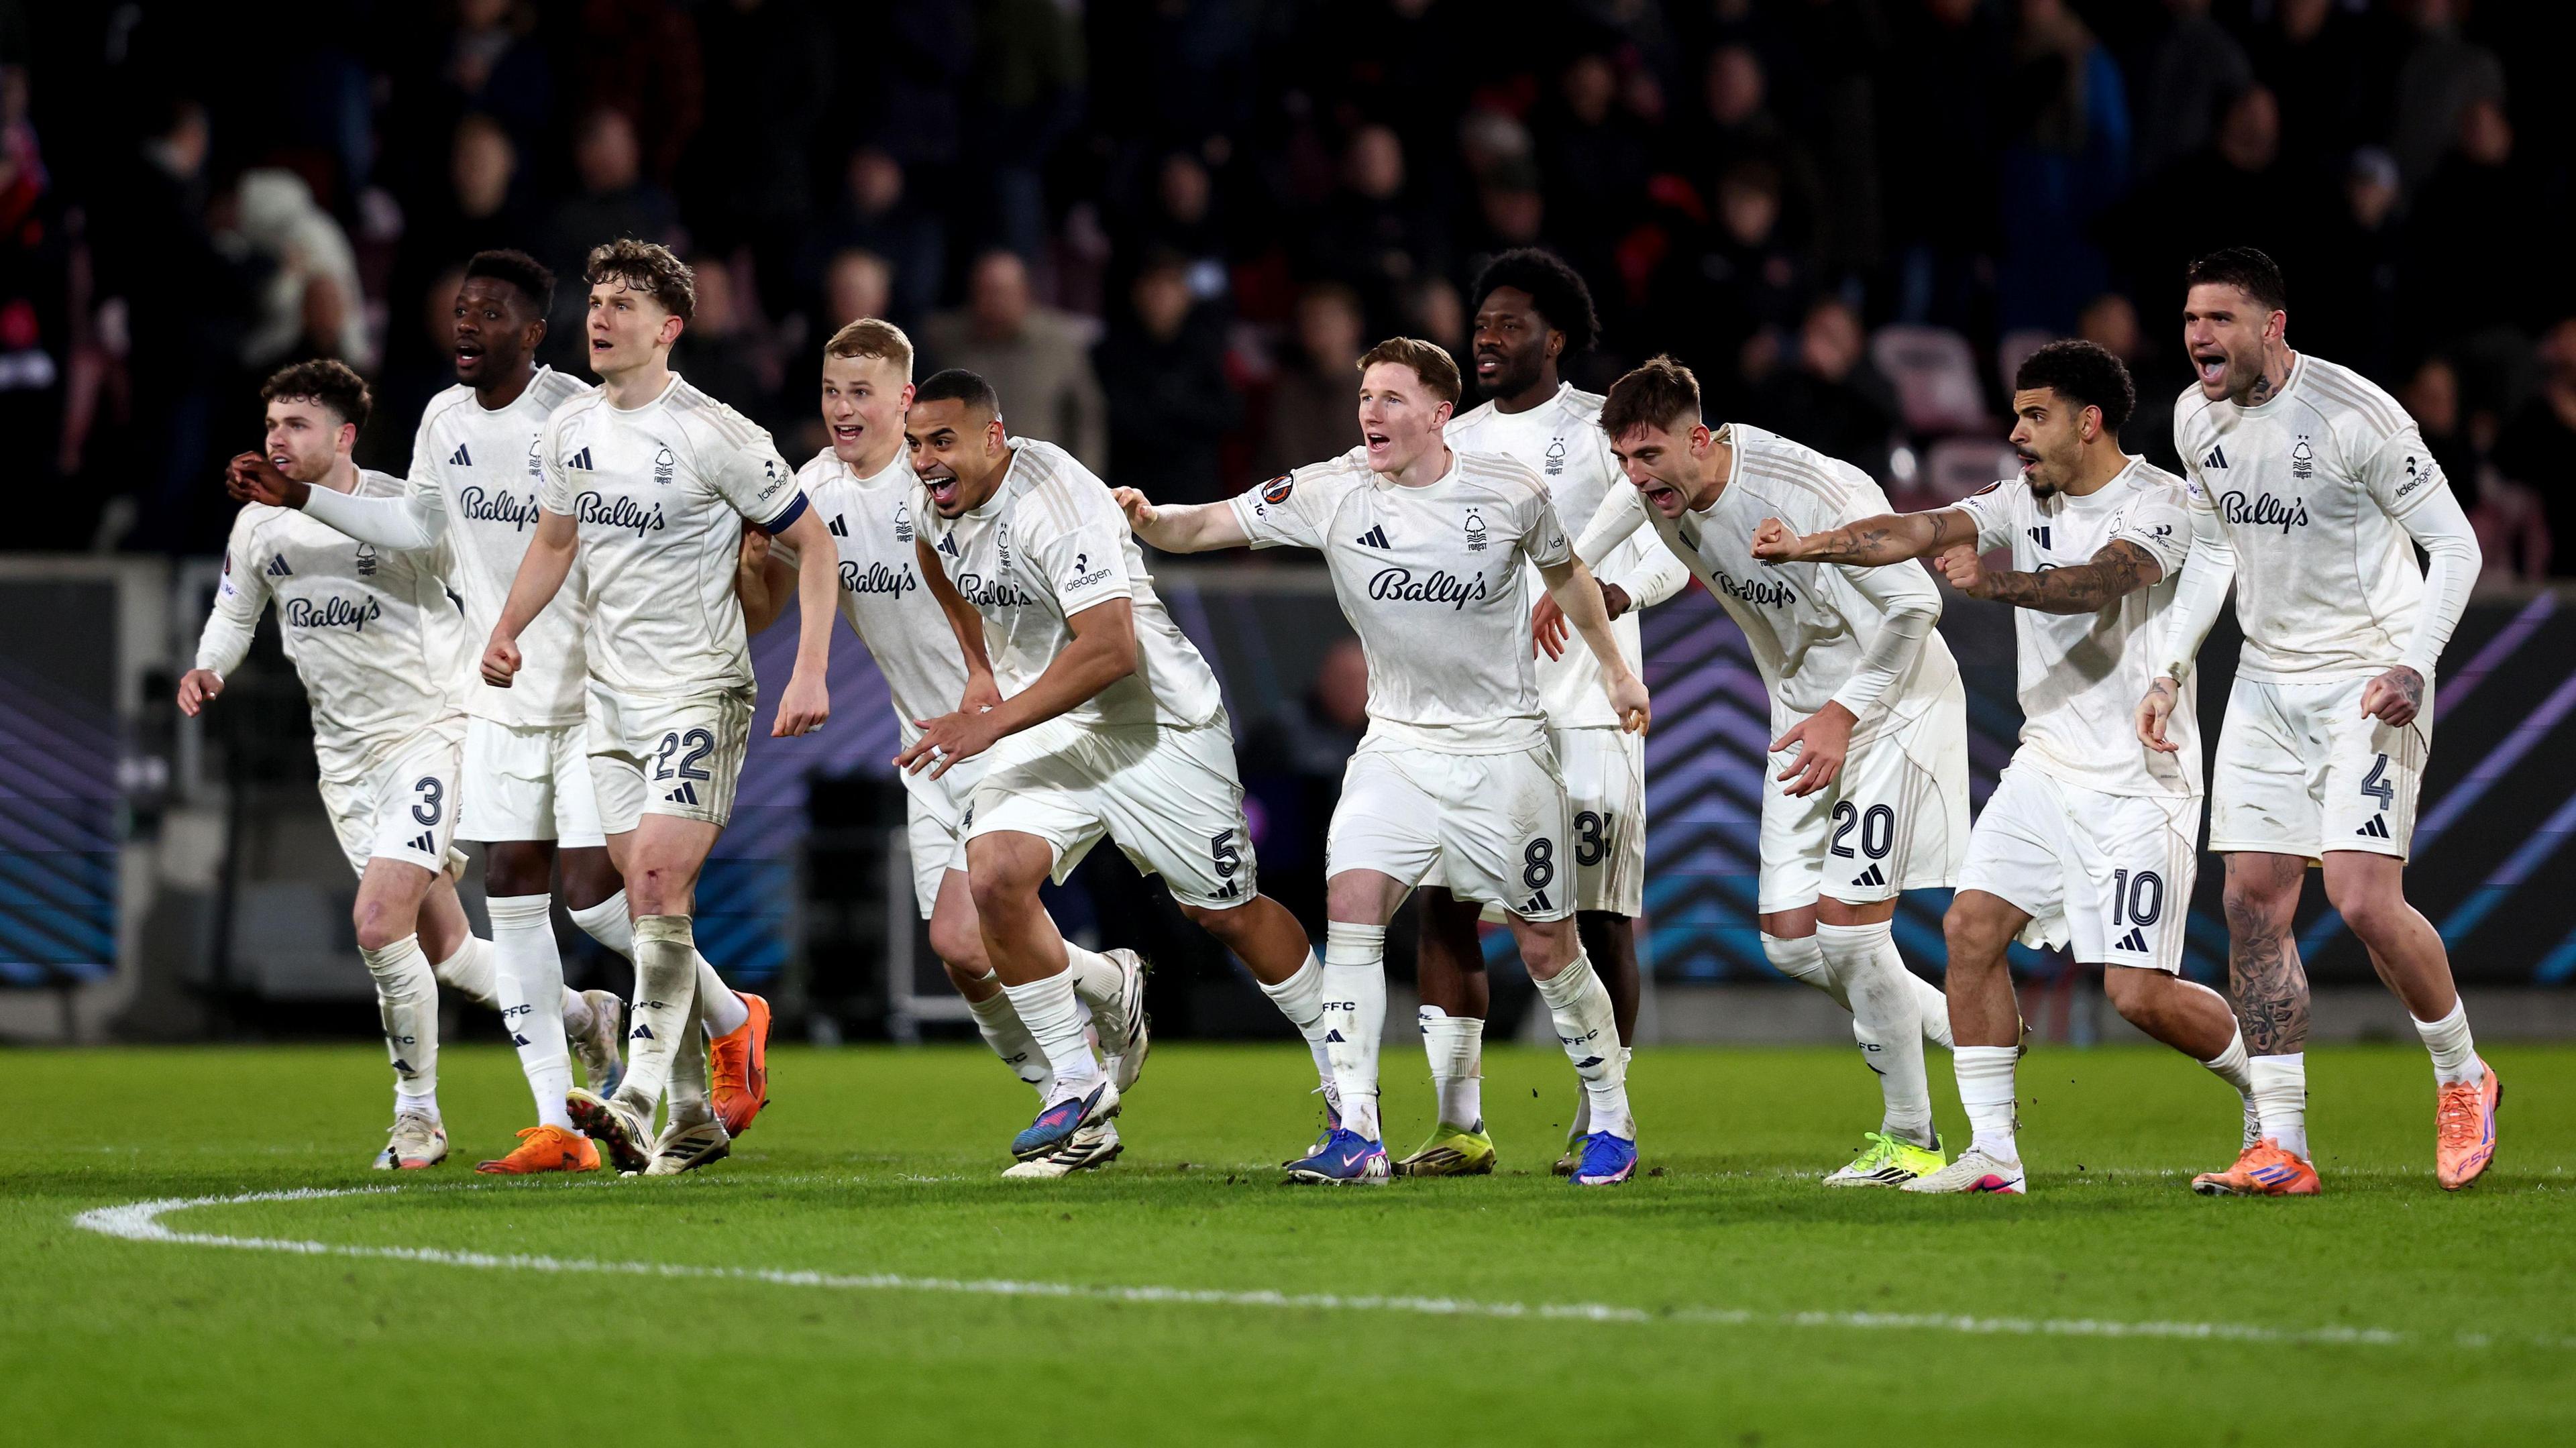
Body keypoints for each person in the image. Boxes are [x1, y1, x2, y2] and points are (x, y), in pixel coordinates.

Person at [223, 250, 775, 1174]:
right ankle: (559, 1121)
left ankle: (728, 1021)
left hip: (596, 686)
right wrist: (305, 497)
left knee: (604, 904)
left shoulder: (575, 413)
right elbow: (420, 527)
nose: (465, 329)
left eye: (486, 315)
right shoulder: (442, 417)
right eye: (458, 312)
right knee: (514, 898)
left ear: (531, 331)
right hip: (500, 694)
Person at [1115, 338, 1653, 1188]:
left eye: (1394, 398)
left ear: (1441, 415)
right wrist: (1150, 520)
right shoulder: (1332, 489)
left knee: (1549, 946)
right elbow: (1213, 521)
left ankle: (1613, 1119)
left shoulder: (1510, 492)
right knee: (1352, 906)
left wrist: (1619, 671)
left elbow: (1571, 577)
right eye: (1366, 396)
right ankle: (1357, 1130)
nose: (1372, 411)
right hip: (1396, 746)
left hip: (1504, 749)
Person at [1755, 340, 2257, 1194]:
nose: (2017, 432)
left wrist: (1992, 588)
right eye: (2016, 414)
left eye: (2036, 415)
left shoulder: (2162, 503)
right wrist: (1813, 546)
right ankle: (1993, 1154)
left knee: (2138, 994)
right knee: (1971, 930)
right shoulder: (2022, 496)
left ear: (2088, 421)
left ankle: (2268, 1090)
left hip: (2141, 779)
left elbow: (2100, 583)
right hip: (2046, 767)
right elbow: (1919, 528)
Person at [894, 370, 1342, 1168]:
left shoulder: (1057, 502)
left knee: (1225, 913)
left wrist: (989, 721)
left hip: (1157, 725)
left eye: (943, 441)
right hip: (1053, 721)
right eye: (917, 443)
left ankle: (1347, 1081)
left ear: (993, 436)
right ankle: (1077, 1085)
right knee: (993, 875)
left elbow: (1110, 650)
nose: (926, 460)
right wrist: (979, 667)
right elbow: (935, 555)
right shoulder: (934, 494)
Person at [185, 360, 616, 1170]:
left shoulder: (404, 511)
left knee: (378, 923)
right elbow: (234, 610)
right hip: (343, 763)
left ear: (344, 436)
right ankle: (584, 1015)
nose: (278, 437)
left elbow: (487, 578)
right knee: (449, 951)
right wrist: (210, 665)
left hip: (431, 737)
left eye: (297, 424)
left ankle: (417, 1114)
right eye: (272, 423)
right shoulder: (258, 527)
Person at [482, 240, 841, 1176]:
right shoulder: (570, 430)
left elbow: (815, 545)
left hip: (701, 690)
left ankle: (637, 1092)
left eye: (624, 305)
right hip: (611, 702)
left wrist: (809, 670)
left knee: (653, 887)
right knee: (619, 905)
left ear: (669, 328)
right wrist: (507, 627)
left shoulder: (714, 432)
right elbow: (555, 541)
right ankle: (692, 1107)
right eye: (596, 300)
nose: (601, 317)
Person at [740, 321, 1130, 1179]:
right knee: (959, 952)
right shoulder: (811, 491)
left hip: (1002, 730)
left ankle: (1077, 1101)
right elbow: (769, 602)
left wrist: (988, 678)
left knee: (969, 925)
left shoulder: (939, 486)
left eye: (862, 393)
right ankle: (1100, 1001)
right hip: (926, 746)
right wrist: (748, 567)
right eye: (832, 392)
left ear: (904, 399)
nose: (844, 409)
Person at [2143, 247, 2491, 1193]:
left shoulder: (2355, 415)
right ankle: (2282, 1142)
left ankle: (2463, 1072)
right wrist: (2171, 666)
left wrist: (2414, 663)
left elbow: (2455, 545)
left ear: (2273, 326)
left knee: (2363, 896)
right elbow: (2214, 542)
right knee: (2252, 900)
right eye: (2189, 319)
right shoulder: (2192, 416)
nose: (2199, 338)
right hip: (2264, 680)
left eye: (2219, 319)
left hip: (2368, 677)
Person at [1568, 355, 1964, 1187]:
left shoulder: (1806, 489)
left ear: (1701, 440)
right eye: (1626, 461)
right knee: (1791, 943)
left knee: (1851, 932)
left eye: (1650, 458)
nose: (1639, 478)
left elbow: (1918, 605)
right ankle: (1965, 1022)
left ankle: (1911, 1135)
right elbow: (1659, 540)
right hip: (1801, 718)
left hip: (1887, 706)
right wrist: (1580, 577)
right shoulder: (1665, 491)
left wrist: (1842, 715)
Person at [1397, 250, 1687, 1178]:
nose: (1487, 335)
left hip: (1591, 710)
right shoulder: (1449, 439)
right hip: (1476, 719)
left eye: (1511, 322)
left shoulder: (1610, 430)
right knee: (1445, 906)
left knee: (1598, 918)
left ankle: (1600, 1114)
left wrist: (1606, 591)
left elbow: (1677, 539)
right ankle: (1458, 1123)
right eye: (1482, 321)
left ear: (1555, 338)